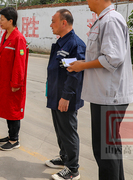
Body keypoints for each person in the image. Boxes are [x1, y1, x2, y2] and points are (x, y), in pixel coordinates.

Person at [68, 0, 133, 180]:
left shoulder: (111, 20)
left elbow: (112, 58)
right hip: (103, 95)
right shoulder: (103, 20)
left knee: (106, 152)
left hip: (110, 97)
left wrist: (82, 65)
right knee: (109, 150)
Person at [45, 9, 86, 180]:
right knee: (60, 130)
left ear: (64, 23)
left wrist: (66, 96)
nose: (50, 25)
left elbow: (75, 73)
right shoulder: (62, 42)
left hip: (65, 97)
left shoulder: (75, 44)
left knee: (68, 131)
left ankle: (72, 169)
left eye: (53, 21)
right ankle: (64, 158)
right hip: (56, 94)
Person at [0, 7, 29, 151]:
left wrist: (16, 83)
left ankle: (14, 140)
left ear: (10, 21)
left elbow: (20, 62)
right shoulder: (6, 35)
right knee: (7, 108)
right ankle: (10, 135)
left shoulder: (18, 38)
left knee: (13, 110)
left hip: (13, 81)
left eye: (2, 19)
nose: (0, 22)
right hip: (4, 79)